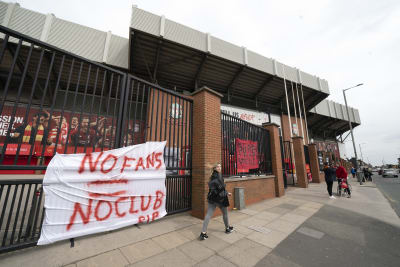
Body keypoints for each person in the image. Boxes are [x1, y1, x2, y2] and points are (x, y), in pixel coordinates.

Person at [199, 163, 233, 240]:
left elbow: (216, 188)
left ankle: (203, 233)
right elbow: (221, 188)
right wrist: (226, 193)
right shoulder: (218, 176)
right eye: (218, 166)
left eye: (220, 166)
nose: (220, 167)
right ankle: (227, 228)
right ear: (215, 168)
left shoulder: (212, 176)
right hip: (221, 198)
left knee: (208, 215)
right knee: (225, 214)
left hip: (213, 198)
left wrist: (226, 192)